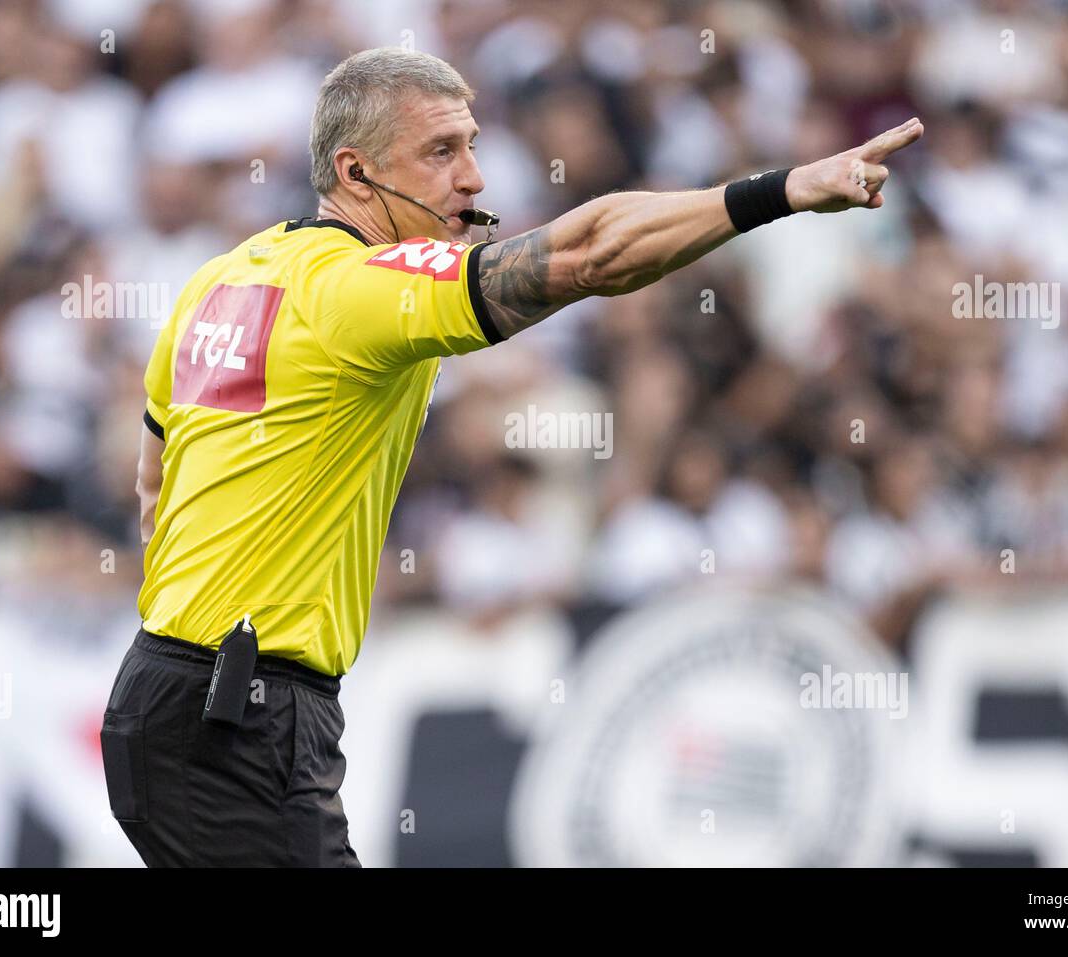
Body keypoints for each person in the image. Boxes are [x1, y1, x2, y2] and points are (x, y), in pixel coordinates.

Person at [99, 45, 923, 867]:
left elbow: (153, 478)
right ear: (355, 172)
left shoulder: (224, 279)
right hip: (239, 710)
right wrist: (781, 190)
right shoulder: (356, 288)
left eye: (472, 144)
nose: (474, 178)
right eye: (441, 151)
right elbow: (590, 254)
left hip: (169, 691)